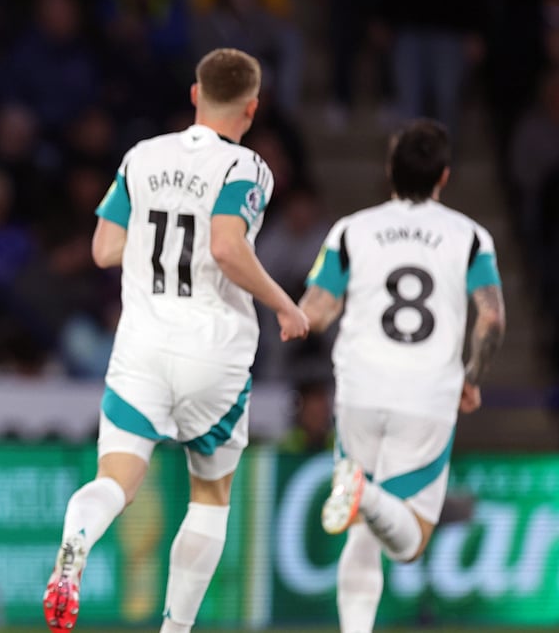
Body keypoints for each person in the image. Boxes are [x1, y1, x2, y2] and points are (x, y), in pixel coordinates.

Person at [43, 48, 309, 633]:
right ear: (253, 107)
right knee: (209, 498)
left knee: (114, 482)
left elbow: (103, 250)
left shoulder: (142, 156)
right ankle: (175, 629)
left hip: (141, 346)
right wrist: (285, 303)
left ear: (195, 95)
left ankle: (75, 545)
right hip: (213, 351)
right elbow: (225, 245)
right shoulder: (249, 169)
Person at [298, 119, 506, 633]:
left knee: (361, 535)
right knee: (410, 542)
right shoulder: (470, 237)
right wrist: (472, 376)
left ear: (389, 170)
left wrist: (291, 308)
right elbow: (493, 317)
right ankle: (363, 492)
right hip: (426, 395)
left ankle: (359, 493)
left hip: (360, 389)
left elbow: (317, 311)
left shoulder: (351, 229)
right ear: (445, 176)